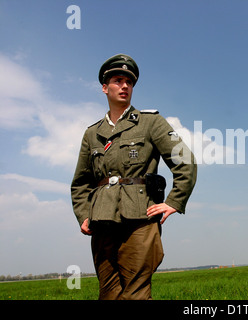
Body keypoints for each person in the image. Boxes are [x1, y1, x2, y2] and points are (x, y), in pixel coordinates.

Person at [71, 53, 197, 300]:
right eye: (118, 80)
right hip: (102, 220)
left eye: (129, 81)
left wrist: (174, 201)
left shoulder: (151, 122)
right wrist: (83, 214)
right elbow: (81, 182)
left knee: (136, 295)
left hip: (140, 219)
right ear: (105, 87)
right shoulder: (92, 134)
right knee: (108, 294)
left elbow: (185, 160)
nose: (125, 85)